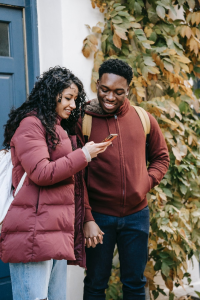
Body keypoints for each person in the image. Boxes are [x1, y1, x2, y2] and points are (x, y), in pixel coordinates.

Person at [0, 66, 110, 300]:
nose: (72, 104)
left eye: (75, 99)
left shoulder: (58, 127)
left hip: (55, 230)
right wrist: (84, 155)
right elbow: (41, 172)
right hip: (32, 232)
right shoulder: (31, 124)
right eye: (68, 98)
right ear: (52, 95)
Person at [76, 59, 170, 300]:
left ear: (128, 89)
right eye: (104, 89)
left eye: (118, 92)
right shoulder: (82, 120)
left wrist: (144, 184)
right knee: (96, 284)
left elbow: (161, 158)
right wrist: (87, 216)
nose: (110, 96)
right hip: (98, 217)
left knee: (135, 284)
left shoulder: (143, 118)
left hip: (137, 215)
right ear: (97, 84)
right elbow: (76, 176)